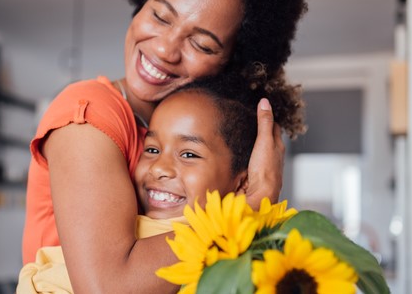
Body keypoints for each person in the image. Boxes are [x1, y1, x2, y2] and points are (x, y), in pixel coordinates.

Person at [21, 0, 308, 292]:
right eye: (160, 16)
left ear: (233, 62)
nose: (164, 49)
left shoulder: (201, 135)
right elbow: (106, 288)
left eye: (201, 44)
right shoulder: (89, 110)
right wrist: (251, 204)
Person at [18, 82, 260, 293]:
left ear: (242, 181)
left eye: (188, 154)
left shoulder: (252, 250)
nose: (159, 168)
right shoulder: (127, 232)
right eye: (152, 149)